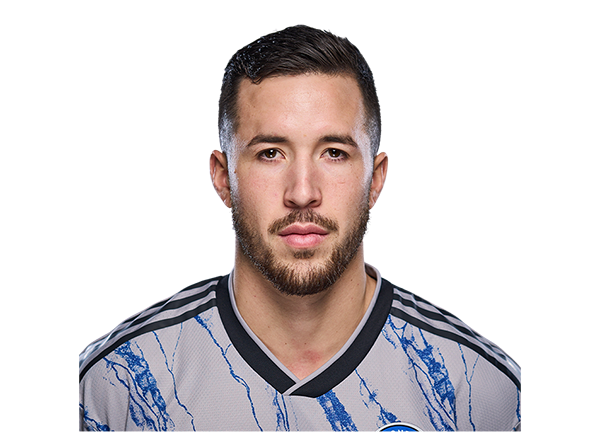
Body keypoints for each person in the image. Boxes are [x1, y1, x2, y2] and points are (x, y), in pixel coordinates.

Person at [78, 26, 522, 432]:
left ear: (376, 178)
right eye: (271, 153)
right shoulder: (114, 387)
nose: (303, 192)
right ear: (223, 176)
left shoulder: (482, 392)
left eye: (334, 153)